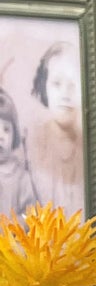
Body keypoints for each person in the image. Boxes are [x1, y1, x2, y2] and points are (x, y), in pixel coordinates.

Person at [28, 40, 82, 211]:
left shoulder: (89, 141)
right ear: (44, 87)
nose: (65, 94)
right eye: (57, 84)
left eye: (73, 84)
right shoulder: (32, 141)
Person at [0, 86, 35, 215]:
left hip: (12, 234)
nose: (1, 137)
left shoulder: (21, 177)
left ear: (14, 135)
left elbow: (30, 214)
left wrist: (13, 227)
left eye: (6, 130)